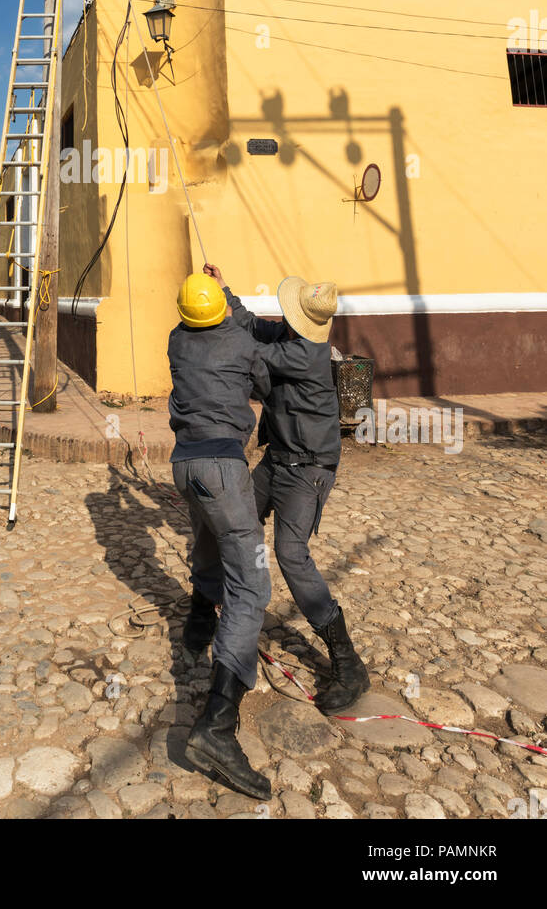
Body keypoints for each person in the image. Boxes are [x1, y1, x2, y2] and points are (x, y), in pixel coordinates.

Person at [204, 264, 370, 714]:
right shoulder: (287, 336)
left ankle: (347, 662)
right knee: (235, 520)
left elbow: (252, 356)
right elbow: (254, 328)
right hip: (277, 459)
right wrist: (224, 292)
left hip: (308, 471)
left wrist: (206, 333)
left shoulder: (307, 356)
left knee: (291, 554)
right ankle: (214, 610)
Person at [168, 271, 273, 799]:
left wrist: (219, 294)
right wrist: (232, 294)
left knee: (207, 543)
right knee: (252, 586)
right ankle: (217, 723)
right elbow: (265, 375)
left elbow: (211, 320)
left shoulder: (177, 339)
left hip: (184, 466)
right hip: (224, 466)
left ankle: (195, 629)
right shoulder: (239, 338)